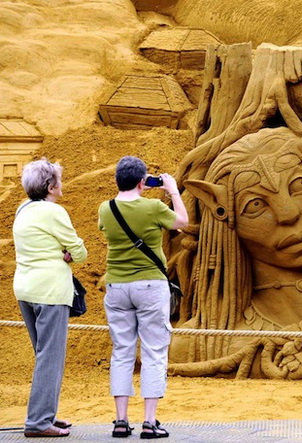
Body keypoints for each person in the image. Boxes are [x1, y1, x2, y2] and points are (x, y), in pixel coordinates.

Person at [167, 123, 302, 379]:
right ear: (224, 216)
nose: (288, 213)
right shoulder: (200, 344)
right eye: (255, 205)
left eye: (299, 184)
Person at [98, 156, 188, 439]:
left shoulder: (106, 208)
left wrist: (136, 190)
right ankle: (149, 422)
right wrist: (172, 191)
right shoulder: (153, 207)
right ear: (142, 182)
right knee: (154, 351)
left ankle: (121, 420)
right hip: (150, 285)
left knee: (122, 351)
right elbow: (183, 221)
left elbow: (110, 227)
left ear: (117, 180)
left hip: (116, 286)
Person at [13, 158, 87, 438]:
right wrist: (68, 254)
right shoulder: (54, 212)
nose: (61, 184)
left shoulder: (22, 209)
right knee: (50, 357)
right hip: (51, 291)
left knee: (43, 355)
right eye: (58, 180)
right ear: (50, 187)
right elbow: (79, 251)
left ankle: (47, 414)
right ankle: (38, 422)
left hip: (25, 289)